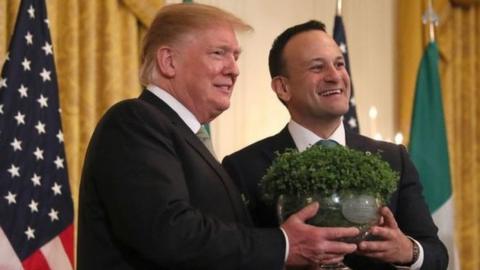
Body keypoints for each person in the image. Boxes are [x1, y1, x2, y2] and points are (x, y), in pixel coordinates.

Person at [77, 5, 360, 270]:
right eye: (218, 53)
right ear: (168, 61)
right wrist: (284, 244)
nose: (234, 69)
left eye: (235, 56)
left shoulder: (186, 136)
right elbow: (171, 233)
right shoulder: (134, 121)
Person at [222, 20, 449, 270]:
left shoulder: (393, 159)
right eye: (317, 67)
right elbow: (235, 258)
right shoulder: (243, 168)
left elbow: (437, 256)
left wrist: (407, 251)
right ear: (283, 87)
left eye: (339, 64)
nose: (335, 76)